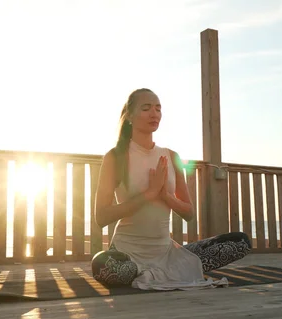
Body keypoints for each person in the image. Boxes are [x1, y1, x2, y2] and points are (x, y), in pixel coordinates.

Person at [91, 88, 252, 290]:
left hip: (166, 252)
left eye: (158, 108)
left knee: (240, 243)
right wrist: (148, 195)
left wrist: (165, 196)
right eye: (146, 108)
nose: (154, 113)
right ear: (130, 116)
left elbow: (189, 213)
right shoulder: (116, 157)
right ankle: (146, 272)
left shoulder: (171, 156)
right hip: (126, 253)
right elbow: (101, 216)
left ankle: (172, 267)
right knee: (103, 265)